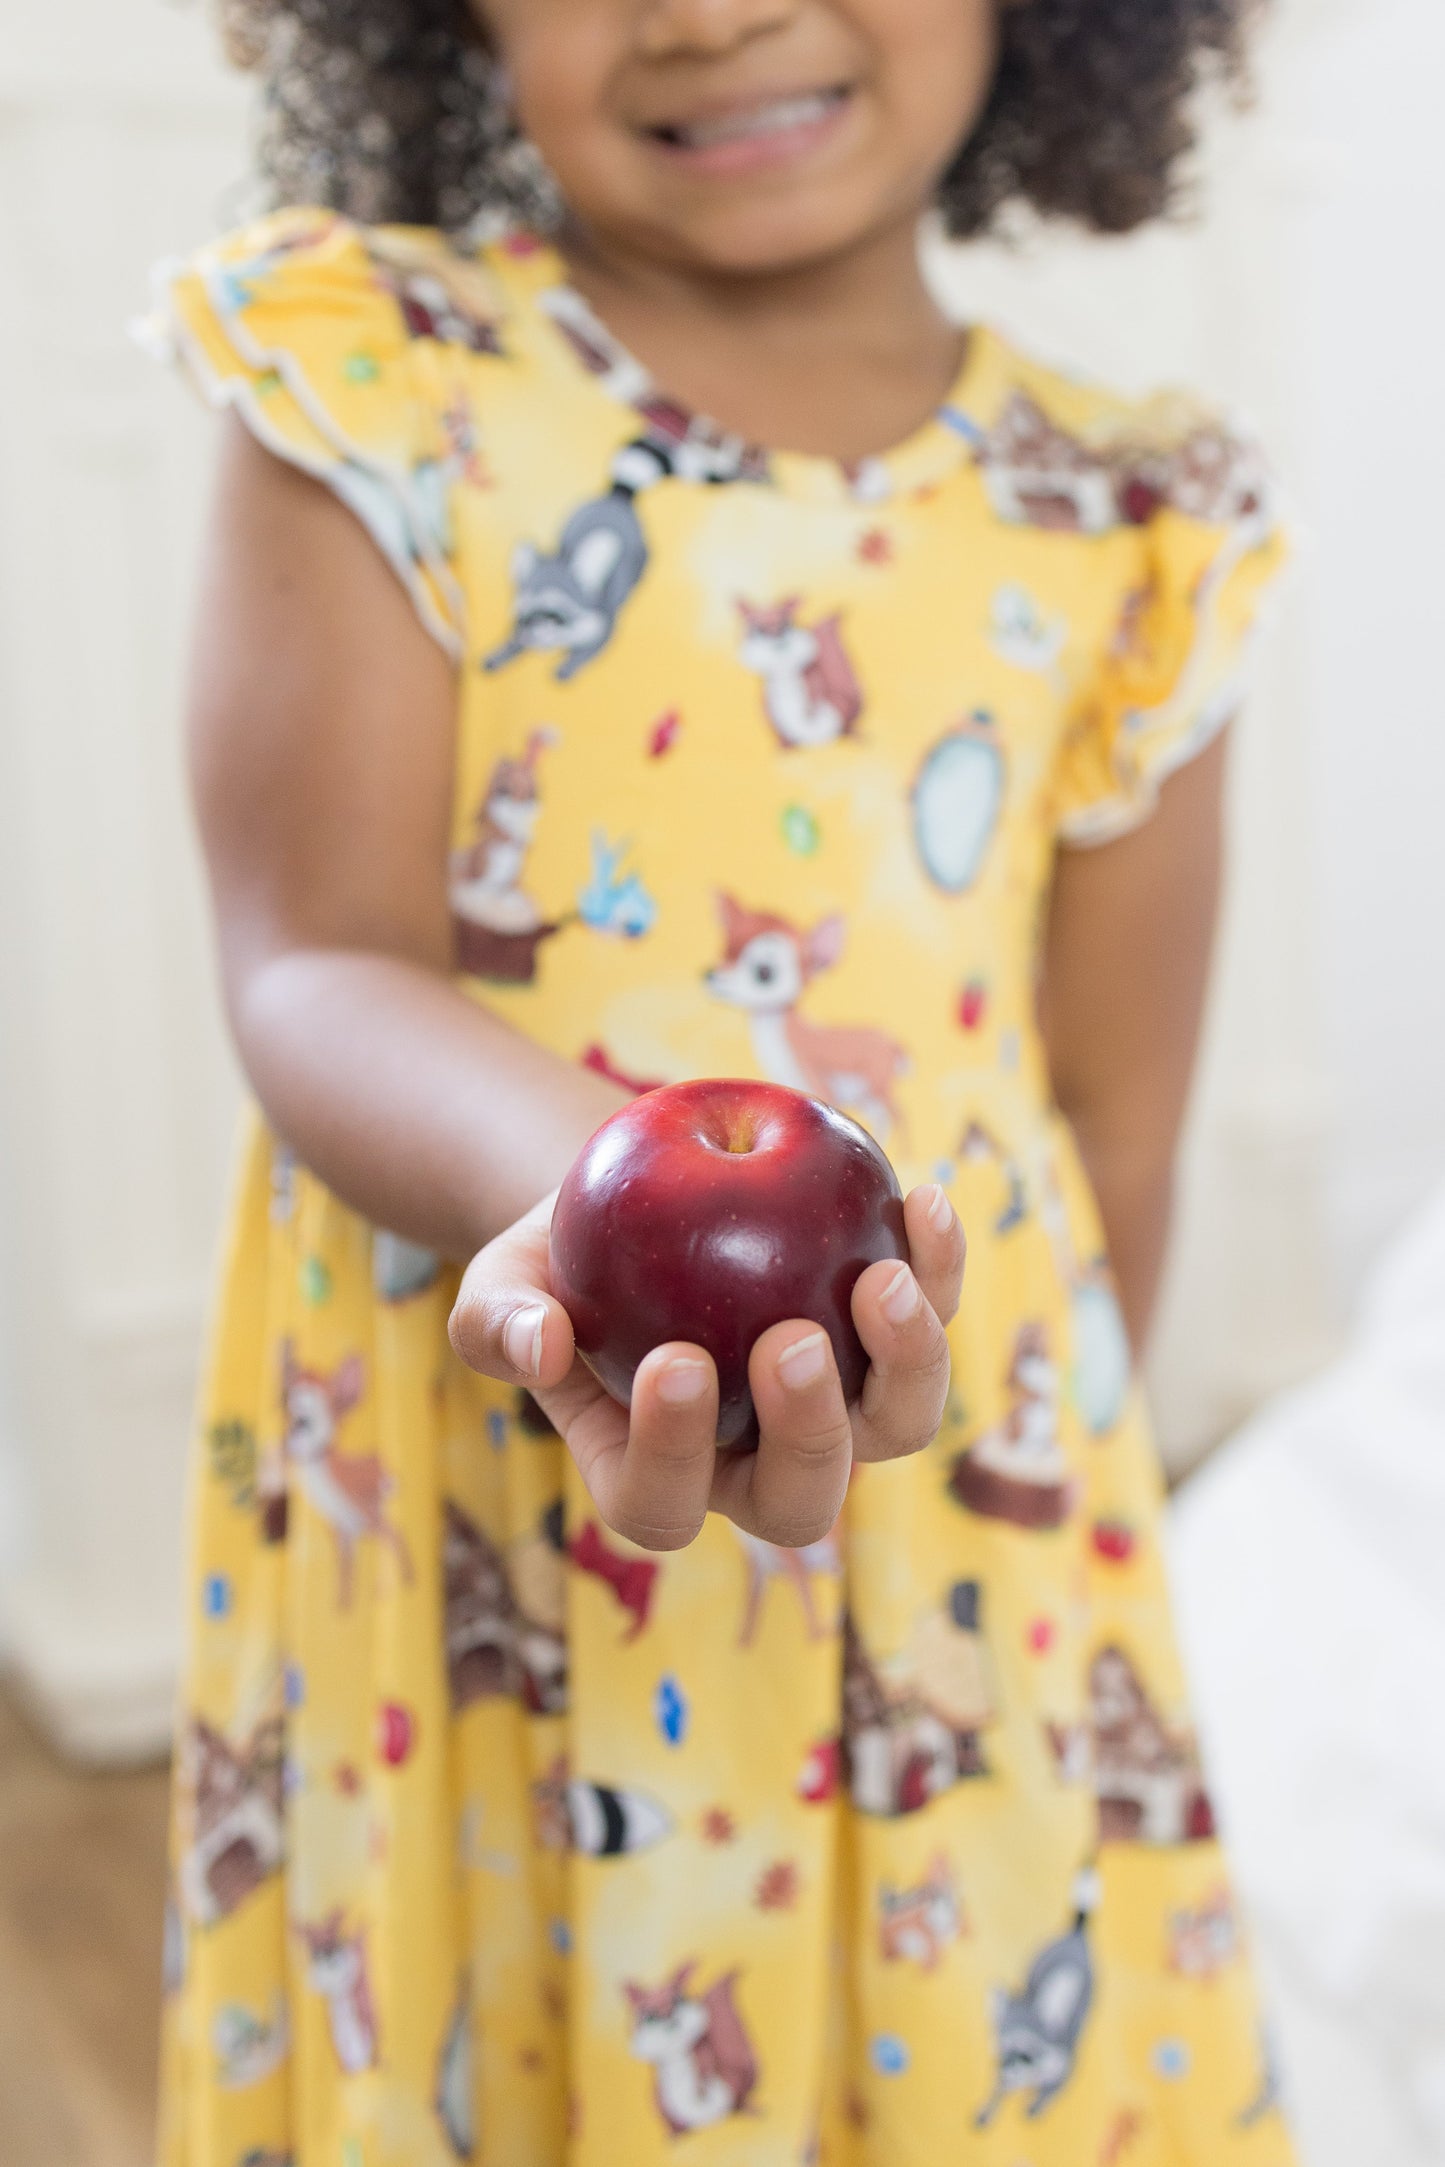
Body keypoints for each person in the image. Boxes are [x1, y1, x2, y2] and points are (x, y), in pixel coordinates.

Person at [145, 1, 1293, 2160]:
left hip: (939, 1553)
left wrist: (970, 1495)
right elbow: (316, 955)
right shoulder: (372, 374)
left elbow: (1111, 1125)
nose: (704, 11)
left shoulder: (1136, 526)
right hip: (469, 1535)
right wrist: (589, 1202)